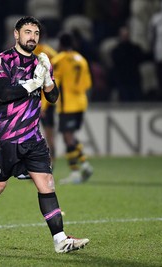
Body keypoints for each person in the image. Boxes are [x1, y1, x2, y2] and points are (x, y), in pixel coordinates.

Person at [0, 16, 89, 254]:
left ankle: (60, 240)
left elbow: (52, 97)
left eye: (36, 33)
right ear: (16, 34)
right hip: (5, 135)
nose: (32, 37)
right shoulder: (3, 60)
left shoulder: (42, 61)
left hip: (32, 137)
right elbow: (4, 93)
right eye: (27, 32)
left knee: (47, 184)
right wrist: (32, 83)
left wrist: (47, 80)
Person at [51, 32, 93, 185]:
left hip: (67, 105)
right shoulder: (81, 59)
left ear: (60, 45)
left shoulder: (59, 60)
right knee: (70, 136)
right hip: (81, 103)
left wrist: (43, 104)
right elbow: (87, 84)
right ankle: (85, 164)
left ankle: (75, 172)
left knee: (68, 138)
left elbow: (52, 85)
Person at [34, 34, 58, 165]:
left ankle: (48, 163)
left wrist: (42, 105)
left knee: (44, 133)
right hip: (47, 98)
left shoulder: (37, 53)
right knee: (48, 133)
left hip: (42, 100)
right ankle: (49, 162)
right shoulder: (50, 52)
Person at [111, 26, 146, 102]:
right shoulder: (116, 51)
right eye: (123, 35)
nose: (125, 37)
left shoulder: (135, 49)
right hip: (122, 81)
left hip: (134, 79)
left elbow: (141, 59)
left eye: (126, 35)